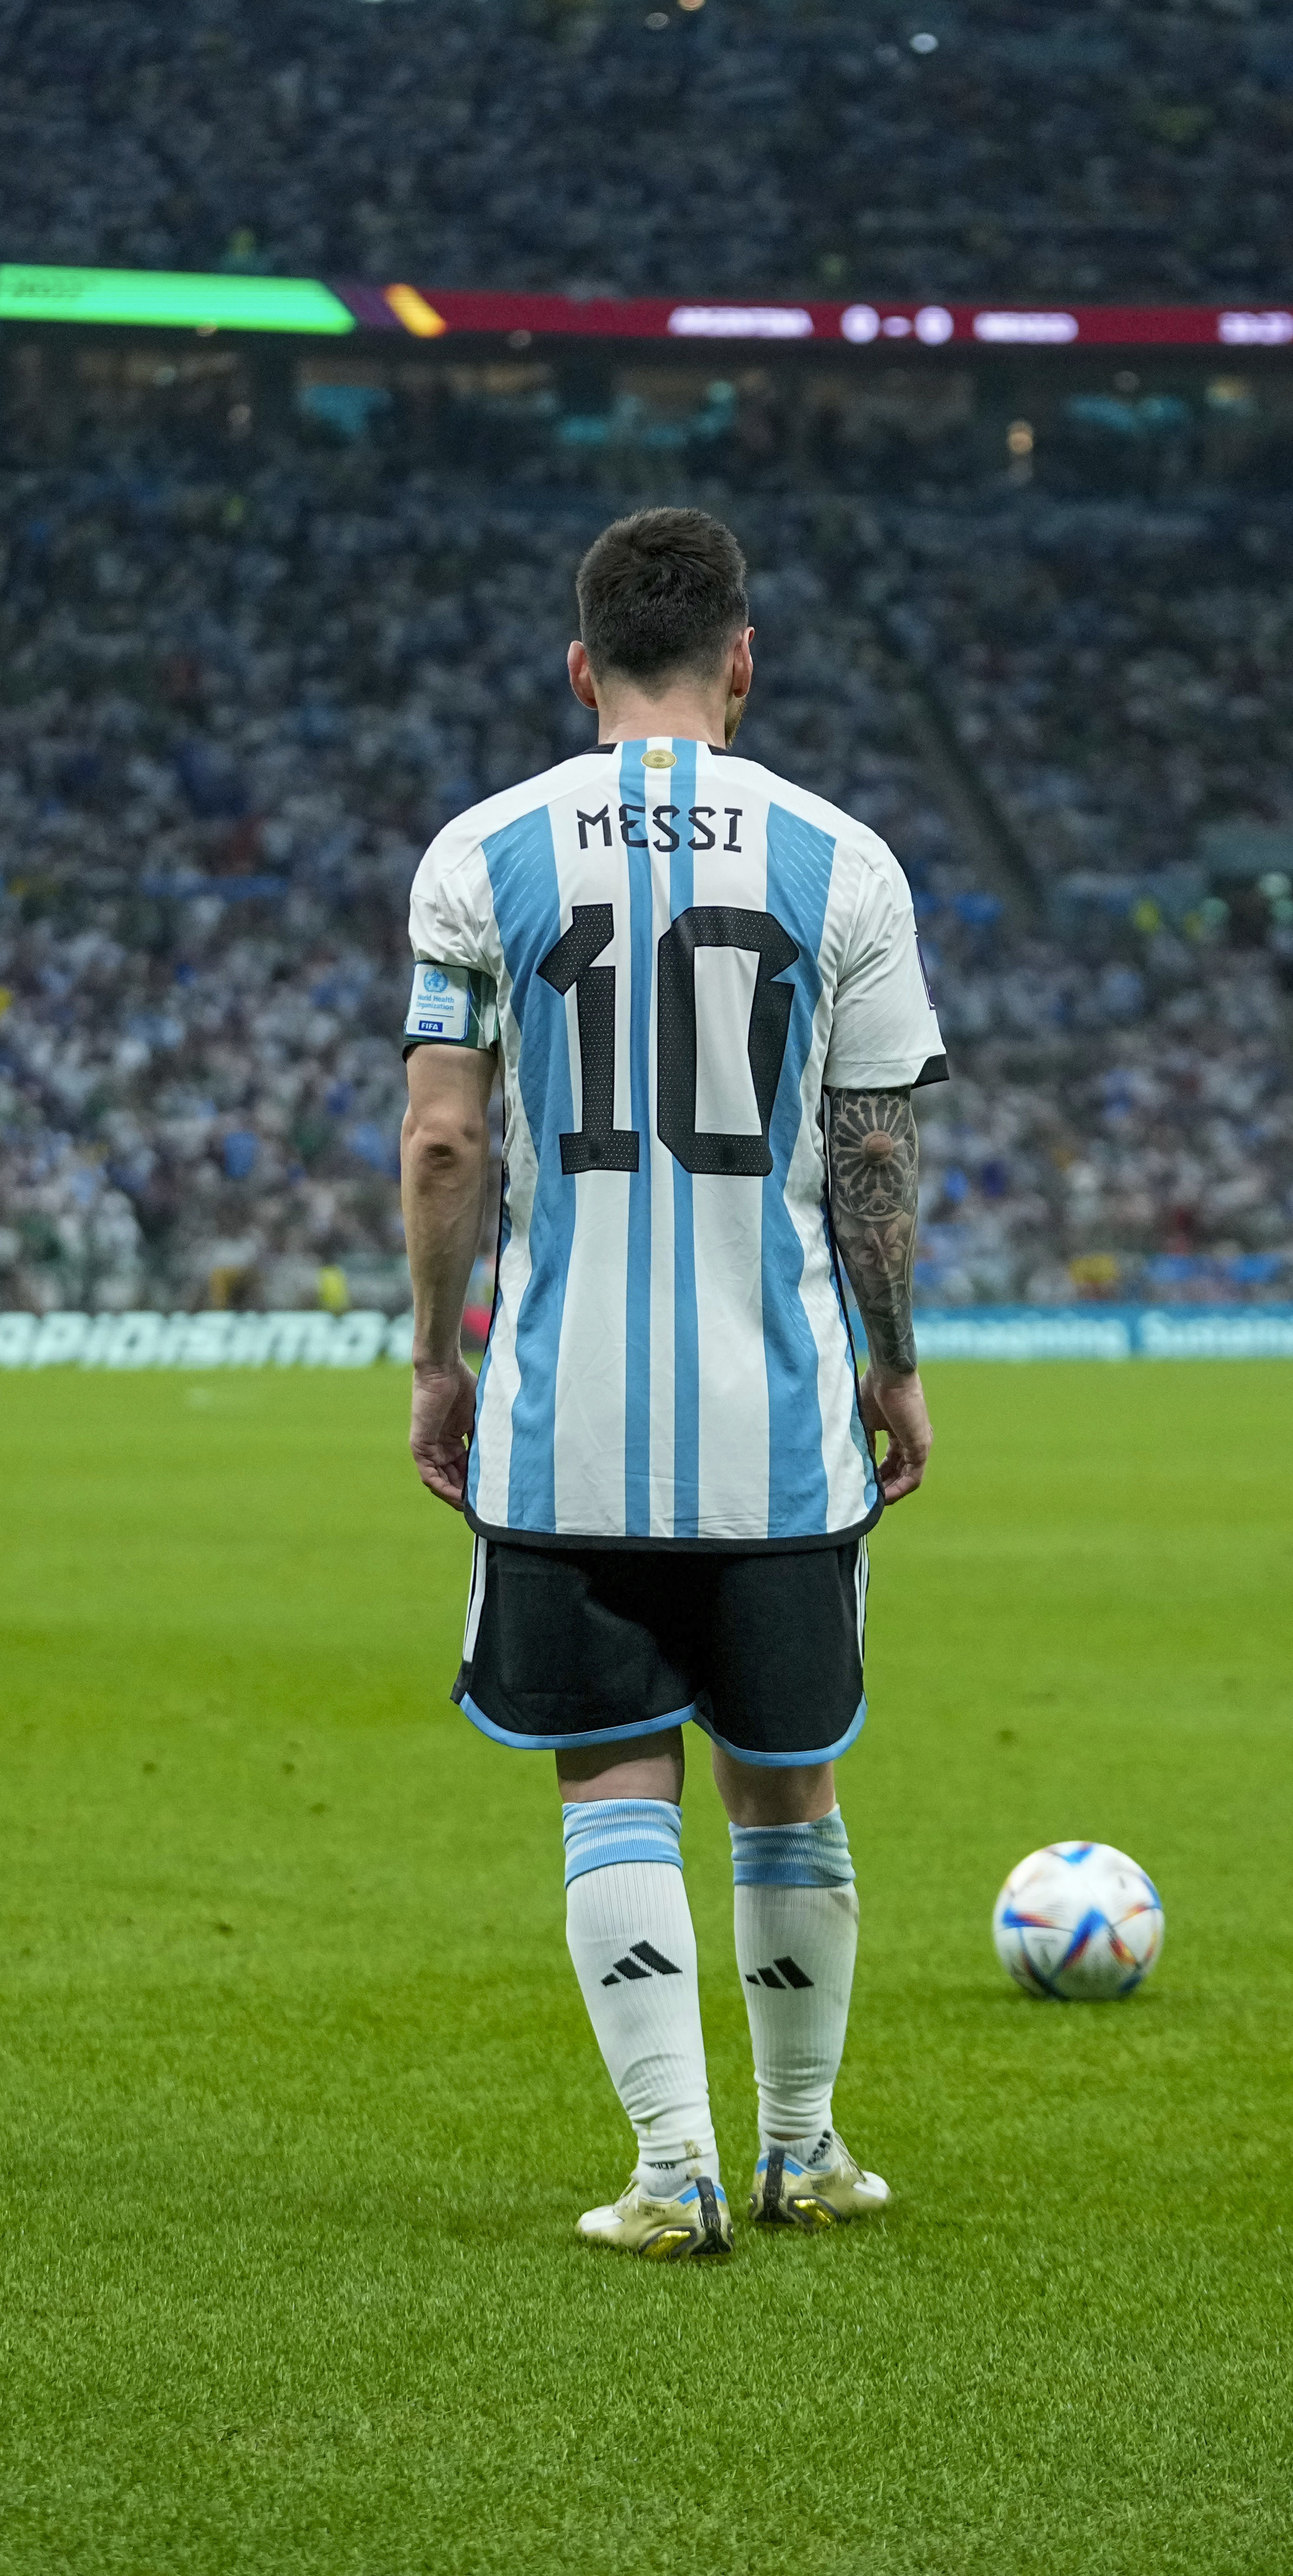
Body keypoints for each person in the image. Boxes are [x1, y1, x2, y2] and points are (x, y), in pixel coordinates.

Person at [395, 506, 948, 2260]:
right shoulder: (843, 859)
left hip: (564, 1423)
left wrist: (433, 1353)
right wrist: (894, 1363)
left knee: (609, 1770)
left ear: (579, 667)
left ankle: (671, 2165)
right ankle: (804, 2146)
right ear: (743, 659)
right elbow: (872, 1148)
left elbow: (436, 1140)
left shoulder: (479, 854)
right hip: (779, 1425)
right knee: (787, 1778)